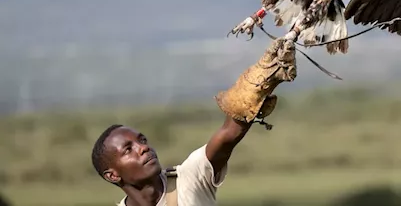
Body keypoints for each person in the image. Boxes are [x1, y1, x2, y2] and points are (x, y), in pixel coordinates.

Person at [90, 38, 297, 206]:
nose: (143, 148)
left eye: (142, 140)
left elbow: (228, 136)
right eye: (128, 150)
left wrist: (261, 83)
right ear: (112, 175)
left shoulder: (189, 178)